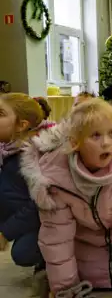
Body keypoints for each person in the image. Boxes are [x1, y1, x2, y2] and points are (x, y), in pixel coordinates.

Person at [21, 98, 112, 298]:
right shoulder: (55, 179)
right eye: (95, 135)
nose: (106, 143)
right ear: (75, 143)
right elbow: (57, 238)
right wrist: (66, 288)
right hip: (84, 241)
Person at [0, 93, 49, 293]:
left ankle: (52, 259)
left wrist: (6, 232)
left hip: (43, 220)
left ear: (21, 125)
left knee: (23, 253)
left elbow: (39, 203)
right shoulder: (5, 151)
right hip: (13, 212)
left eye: (0, 113)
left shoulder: (32, 157)